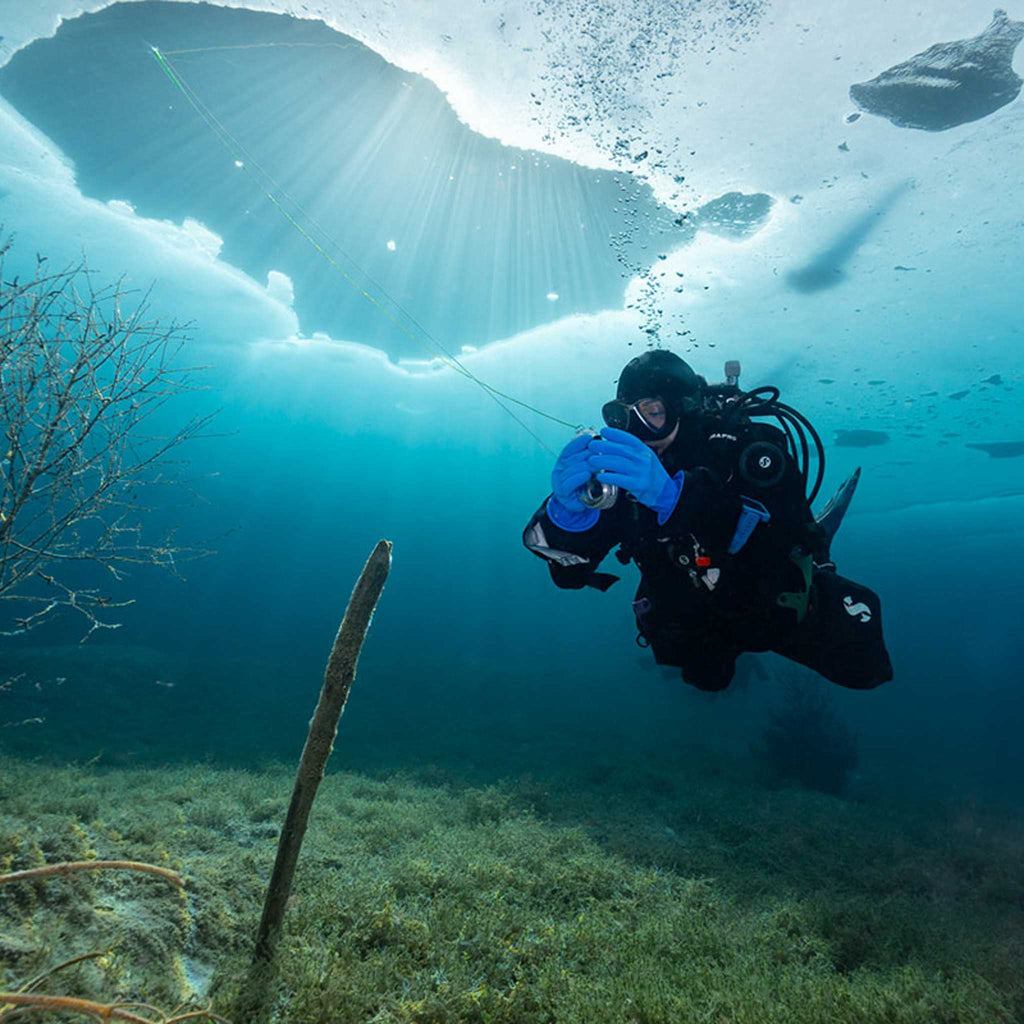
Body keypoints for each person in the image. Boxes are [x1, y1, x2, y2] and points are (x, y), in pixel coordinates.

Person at [523, 350, 893, 692]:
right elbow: (569, 576)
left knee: (861, 668)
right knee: (705, 677)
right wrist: (569, 518)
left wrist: (676, 500)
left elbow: (779, 545)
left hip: (761, 605)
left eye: (652, 412)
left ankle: (823, 556)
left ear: (683, 410)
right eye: (623, 416)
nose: (638, 431)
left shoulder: (750, 451)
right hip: (689, 618)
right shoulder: (627, 477)